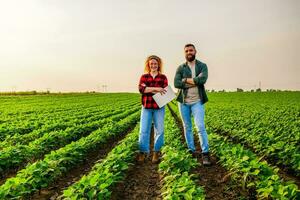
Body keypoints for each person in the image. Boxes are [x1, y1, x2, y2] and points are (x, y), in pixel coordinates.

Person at [174, 43, 211, 166]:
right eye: (186, 51)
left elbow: (203, 80)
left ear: (195, 51)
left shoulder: (202, 66)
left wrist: (185, 80)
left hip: (197, 101)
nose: (189, 52)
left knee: (200, 126)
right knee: (187, 126)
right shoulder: (180, 68)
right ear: (184, 53)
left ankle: (205, 153)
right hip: (183, 101)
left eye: (191, 50)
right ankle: (191, 150)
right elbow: (177, 83)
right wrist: (194, 81)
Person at [138, 55, 168, 164]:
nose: (153, 65)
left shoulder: (163, 77)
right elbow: (141, 89)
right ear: (148, 65)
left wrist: (149, 89)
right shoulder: (144, 77)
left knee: (159, 130)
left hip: (159, 107)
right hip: (146, 107)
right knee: (143, 130)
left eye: (155, 63)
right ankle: (143, 152)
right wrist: (157, 89)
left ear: (158, 64)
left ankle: (156, 152)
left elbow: (165, 92)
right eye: (151, 64)